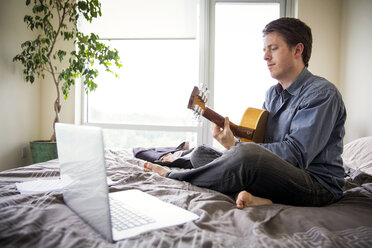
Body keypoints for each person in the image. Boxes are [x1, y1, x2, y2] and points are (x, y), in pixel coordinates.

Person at [143, 17, 347, 209]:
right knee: (200, 153)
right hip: (280, 176)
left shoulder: (321, 93)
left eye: (273, 49)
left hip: (316, 184)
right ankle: (263, 198)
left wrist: (237, 148)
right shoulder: (273, 94)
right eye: (265, 50)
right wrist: (232, 144)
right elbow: (261, 144)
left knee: (245, 155)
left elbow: (296, 155)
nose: (265, 56)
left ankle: (173, 176)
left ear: (297, 50)